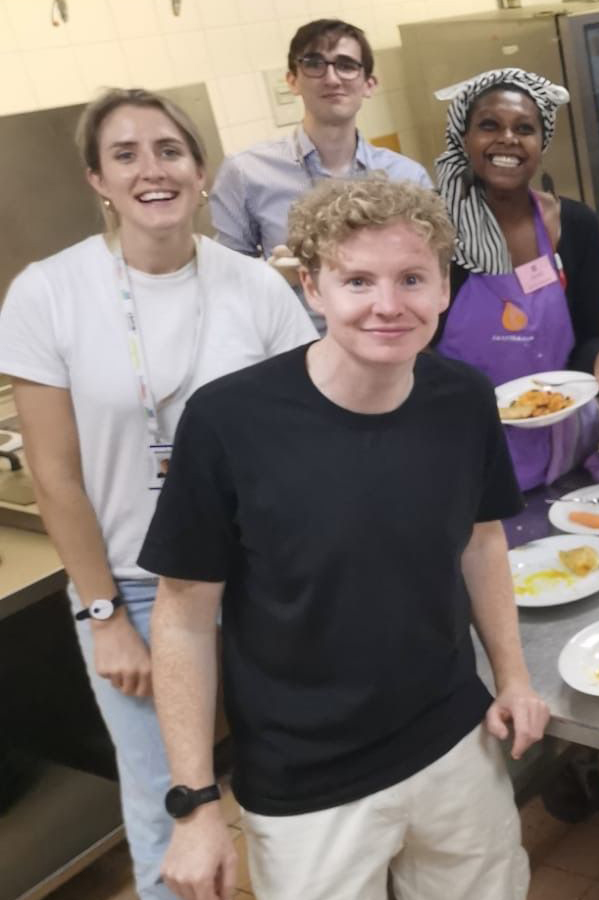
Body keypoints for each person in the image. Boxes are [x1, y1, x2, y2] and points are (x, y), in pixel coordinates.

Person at [144, 178, 546, 900]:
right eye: (357, 280)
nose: (387, 305)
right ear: (313, 287)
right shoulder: (229, 424)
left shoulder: (463, 399)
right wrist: (195, 802)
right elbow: (182, 617)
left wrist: (512, 676)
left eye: (412, 279)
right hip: (306, 781)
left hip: (452, 742)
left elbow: (481, 541)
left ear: (444, 288)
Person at [0, 89, 315, 900]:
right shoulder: (48, 293)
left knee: (292, 779)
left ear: (201, 171)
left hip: (257, 581)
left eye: (169, 150)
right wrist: (102, 615)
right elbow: (55, 474)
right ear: (97, 180)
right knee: (168, 804)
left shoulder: (255, 288)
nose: (152, 169)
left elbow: (301, 444)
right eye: (126, 154)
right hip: (134, 591)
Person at [432, 67, 599, 491]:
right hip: (470, 457)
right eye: (489, 126)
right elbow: (416, 356)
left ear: (540, 145)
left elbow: (587, 337)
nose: (507, 139)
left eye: (524, 129)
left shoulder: (574, 225)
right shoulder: (432, 234)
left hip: (568, 449)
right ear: (464, 139)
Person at [208, 18, 432, 330]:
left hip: (390, 341)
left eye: (346, 65)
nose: (332, 78)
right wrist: (272, 277)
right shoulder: (246, 172)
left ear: (369, 84)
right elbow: (222, 281)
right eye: (315, 64)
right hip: (296, 352)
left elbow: (426, 273)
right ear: (292, 80)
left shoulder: (406, 177)